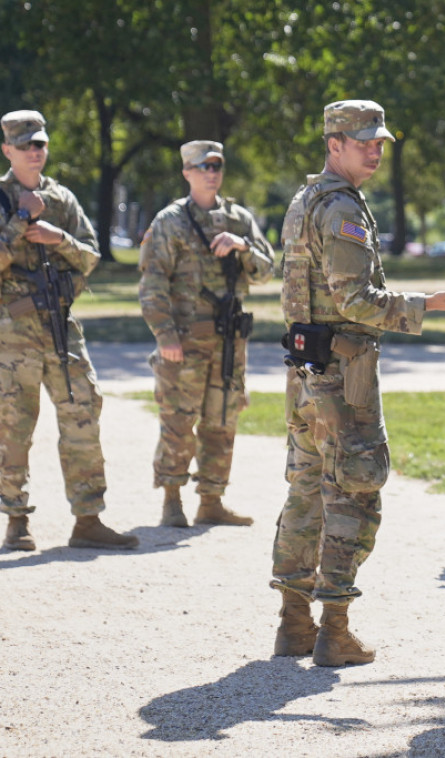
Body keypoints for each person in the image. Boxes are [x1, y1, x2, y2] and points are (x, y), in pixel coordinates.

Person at [271, 99, 445, 667]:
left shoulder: (305, 199)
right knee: (354, 494)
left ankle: (293, 622)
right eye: (364, 140)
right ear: (333, 144)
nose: (375, 149)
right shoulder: (340, 207)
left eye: (379, 140)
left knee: (307, 490)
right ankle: (332, 630)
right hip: (341, 378)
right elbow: (354, 300)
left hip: (306, 372)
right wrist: (426, 304)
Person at [0, 110, 137, 551]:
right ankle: (16, 519)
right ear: (7, 151)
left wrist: (59, 238)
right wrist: (21, 221)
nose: (35, 152)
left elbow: (92, 256)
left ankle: (88, 518)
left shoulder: (61, 198)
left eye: (40, 144)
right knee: (13, 424)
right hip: (12, 332)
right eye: (26, 146)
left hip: (61, 325)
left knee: (83, 413)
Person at [138, 140, 275, 528]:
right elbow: (152, 283)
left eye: (216, 165)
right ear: (186, 173)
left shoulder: (238, 219)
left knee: (222, 420)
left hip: (229, 339)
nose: (211, 173)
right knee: (179, 421)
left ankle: (211, 499)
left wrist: (242, 245)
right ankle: (171, 498)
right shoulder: (170, 221)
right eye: (203, 167)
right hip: (184, 339)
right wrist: (165, 335)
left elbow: (266, 271)